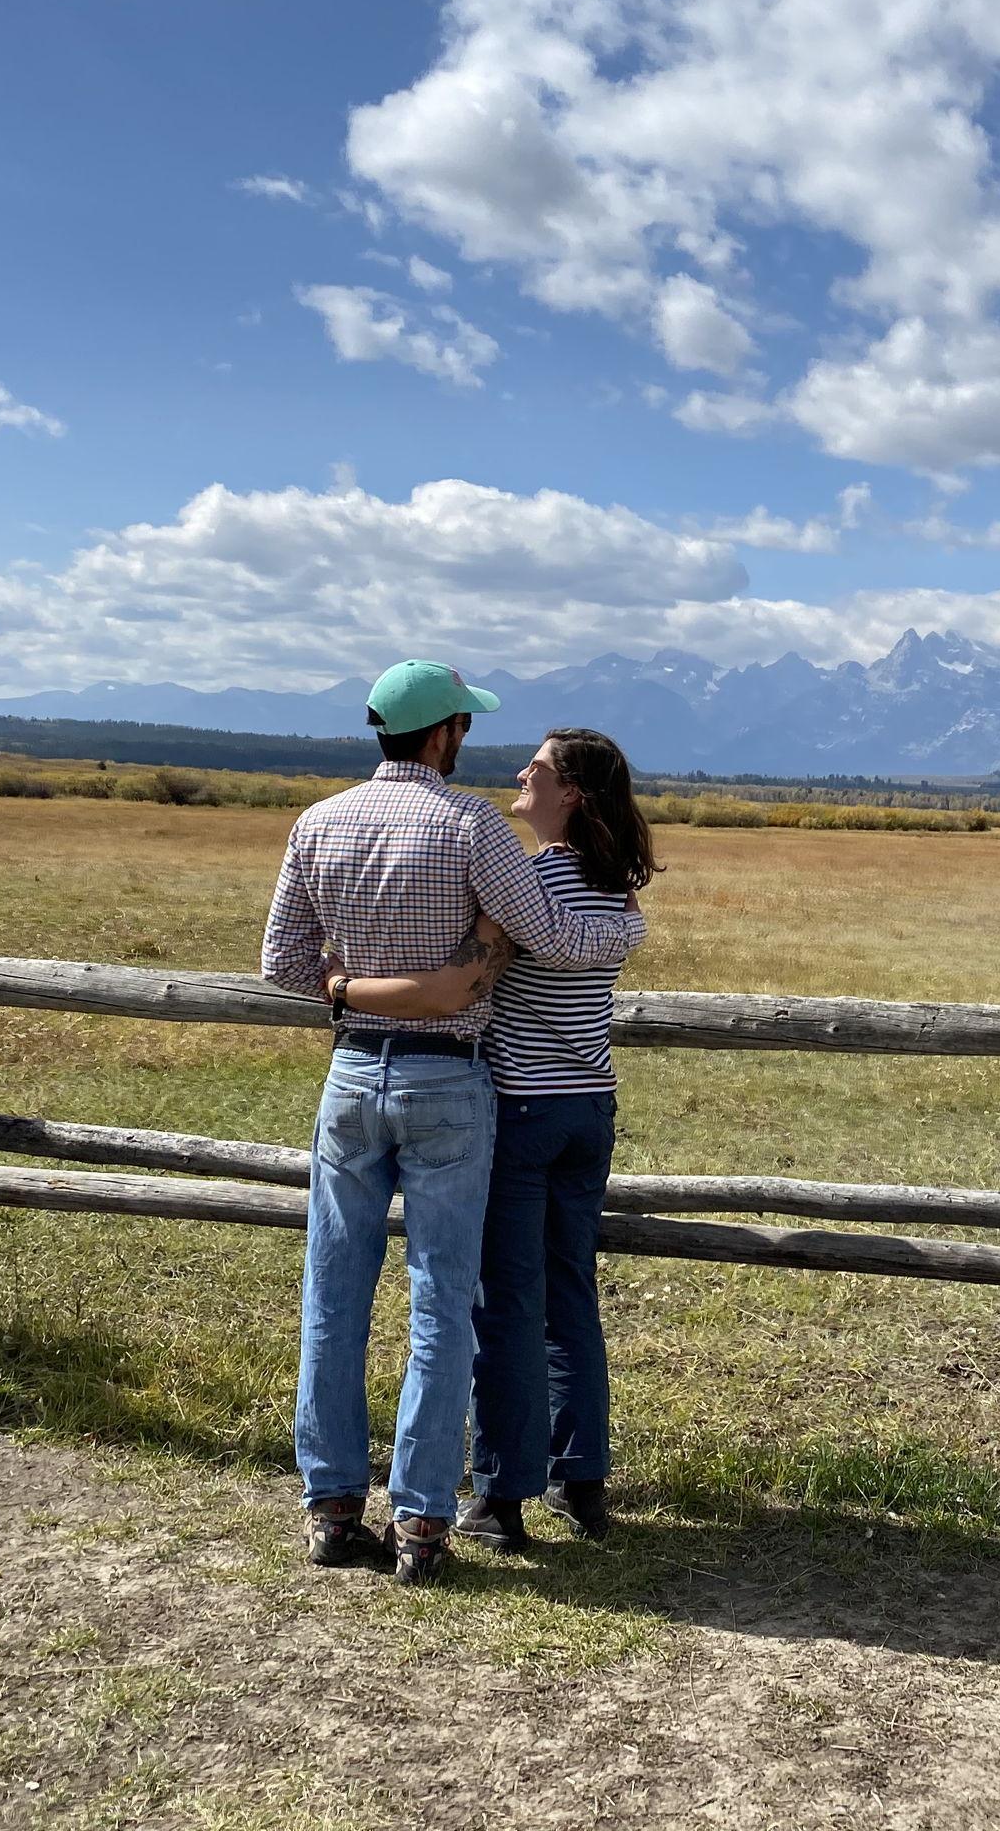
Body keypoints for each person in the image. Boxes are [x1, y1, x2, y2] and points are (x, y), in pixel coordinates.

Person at [261, 663, 647, 1586]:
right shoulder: (471, 826)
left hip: (353, 1069)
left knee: (333, 1295)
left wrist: (355, 988)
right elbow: (550, 937)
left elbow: (283, 961)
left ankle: (330, 1506)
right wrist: (458, 972)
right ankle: (427, 1520)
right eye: (466, 727)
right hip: (454, 1081)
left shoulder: (317, 822)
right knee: (443, 1303)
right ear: (443, 737)